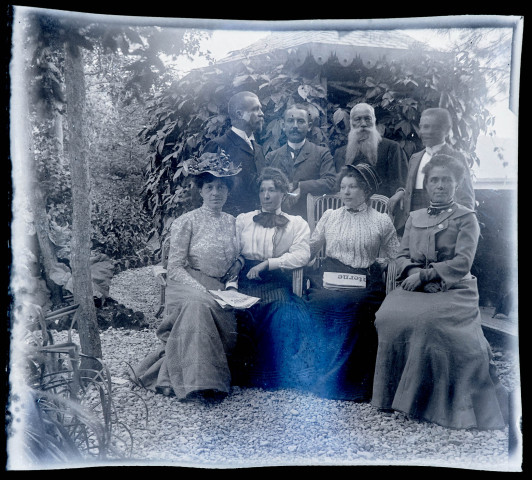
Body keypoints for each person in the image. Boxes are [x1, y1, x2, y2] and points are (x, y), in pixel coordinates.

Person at [371, 154, 508, 429]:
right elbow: (401, 255)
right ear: (427, 184)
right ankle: (391, 396)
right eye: (434, 180)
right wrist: (412, 274)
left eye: (447, 180)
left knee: (427, 323)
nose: (440, 185)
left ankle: (423, 402)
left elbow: (463, 262)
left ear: (456, 184)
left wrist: (427, 274)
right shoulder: (414, 217)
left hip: (454, 287)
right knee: (386, 317)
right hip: (417, 285)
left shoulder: (466, 218)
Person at [130, 152, 242, 403]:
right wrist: (201, 290)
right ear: (201, 191)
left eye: (222, 187)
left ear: (228, 191)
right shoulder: (186, 221)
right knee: (198, 307)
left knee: (207, 306)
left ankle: (195, 376)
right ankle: (201, 385)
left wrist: (231, 280)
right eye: (210, 187)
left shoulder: (234, 222)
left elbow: (238, 259)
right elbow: (176, 267)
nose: (216, 193)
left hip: (218, 287)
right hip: (185, 283)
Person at [304, 163, 400, 401]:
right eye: (343, 187)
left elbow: (396, 255)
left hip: (366, 277)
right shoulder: (329, 216)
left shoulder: (382, 220)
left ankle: (353, 385)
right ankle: (321, 377)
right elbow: (311, 247)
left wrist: (384, 261)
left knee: (359, 306)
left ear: (365, 190)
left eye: (353, 187)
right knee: (320, 302)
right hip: (331, 275)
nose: (345, 192)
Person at [229, 167, 315, 390]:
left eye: (273, 190)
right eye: (262, 190)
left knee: (282, 310)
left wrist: (269, 263)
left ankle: (274, 375)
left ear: (283, 194)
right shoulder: (243, 220)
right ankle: (241, 375)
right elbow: (233, 253)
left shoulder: (296, 223)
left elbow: (302, 255)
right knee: (238, 311)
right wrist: (232, 281)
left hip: (276, 279)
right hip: (245, 278)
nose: (266, 195)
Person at [388, 107, 476, 232]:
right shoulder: (415, 158)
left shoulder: (456, 158)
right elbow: (410, 191)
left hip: (443, 230)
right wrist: (402, 192)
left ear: (445, 130)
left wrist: (459, 231)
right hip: (414, 229)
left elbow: (466, 199)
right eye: (422, 127)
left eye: (431, 127)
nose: (424, 132)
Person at [265, 103, 336, 219]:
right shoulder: (271, 157)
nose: (295, 126)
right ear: (283, 125)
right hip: (278, 220)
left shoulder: (322, 153)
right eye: (290, 121)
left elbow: (331, 181)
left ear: (309, 126)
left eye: (300, 121)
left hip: (310, 219)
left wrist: (301, 186)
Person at [203, 91, 267, 216]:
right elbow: (205, 192)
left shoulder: (258, 148)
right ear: (239, 114)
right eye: (256, 109)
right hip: (229, 224)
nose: (262, 114)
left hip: (257, 223)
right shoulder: (219, 145)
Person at [333, 102, 408, 203]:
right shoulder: (340, 153)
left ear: (374, 120)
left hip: (381, 210)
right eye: (358, 119)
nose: (363, 124)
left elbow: (401, 184)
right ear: (351, 123)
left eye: (367, 118)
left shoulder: (391, 148)